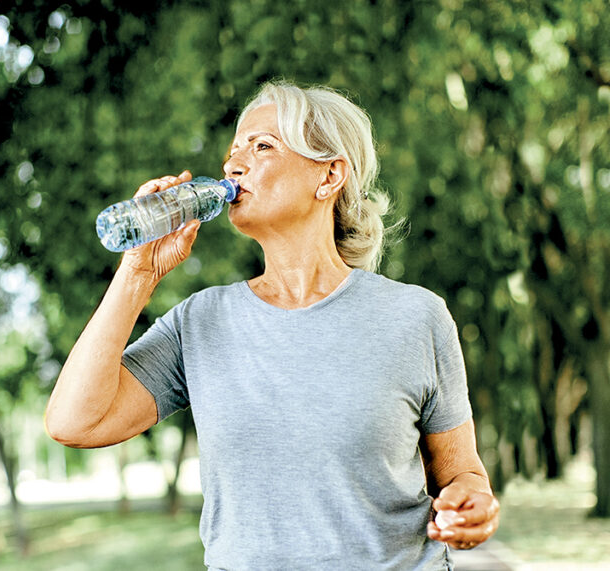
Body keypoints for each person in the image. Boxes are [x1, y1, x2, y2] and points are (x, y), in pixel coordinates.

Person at [45, 80, 500, 570]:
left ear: (329, 177)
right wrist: (138, 272)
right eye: (233, 150)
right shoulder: (199, 323)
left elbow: (460, 474)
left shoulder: (416, 317)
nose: (232, 165)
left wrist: (472, 506)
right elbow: (75, 422)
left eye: (262, 146)